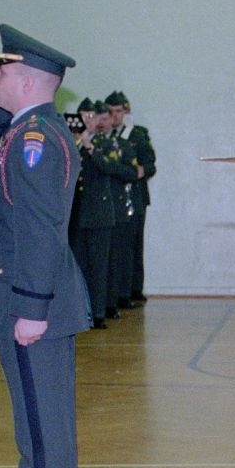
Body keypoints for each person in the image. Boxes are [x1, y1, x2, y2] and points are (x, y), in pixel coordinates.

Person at [0, 24, 90, 468]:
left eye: (1, 73)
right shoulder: (24, 130)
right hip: (24, 303)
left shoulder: (38, 140)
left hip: (32, 308)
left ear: (25, 80)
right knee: (34, 427)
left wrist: (32, 308)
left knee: (44, 430)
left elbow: (42, 228)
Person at [107, 90, 158, 306]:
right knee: (120, 246)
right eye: (111, 112)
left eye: (118, 111)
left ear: (126, 111)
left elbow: (149, 164)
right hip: (116, 197)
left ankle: (134, 288)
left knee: (133, 244)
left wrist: (138, 171)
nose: (114, 116)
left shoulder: (137, 134)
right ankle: (121, 289)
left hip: (135, 196)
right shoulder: (109, 136)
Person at [73, 98, 115, 329]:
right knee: (78, 267)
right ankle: (80, 313)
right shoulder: (73, 142)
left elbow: (107, 167)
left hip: (98, 214)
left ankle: (98, 313)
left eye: (92, 116)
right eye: (84, 116)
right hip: (78, 215)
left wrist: (89, 145)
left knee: (98, 267)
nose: (88, 121)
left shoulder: (105, 144)